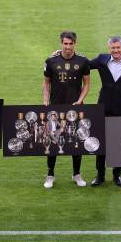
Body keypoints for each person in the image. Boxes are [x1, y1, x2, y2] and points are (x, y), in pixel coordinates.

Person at [42, 31, 90, 188]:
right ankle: (50, 175)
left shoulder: (83, 61)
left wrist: (80, 100)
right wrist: (45, 102)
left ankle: (76, 174)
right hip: (55, 108)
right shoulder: (51, 61)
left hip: (75, 109)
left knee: (76, 140)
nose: (68, 47)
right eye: (65, 43)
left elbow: (86, 84)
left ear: (75, 43)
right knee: (52, 140)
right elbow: (46, 83)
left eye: (70, 44)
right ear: (61, 43)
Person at [87, 36, 121, 187]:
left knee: (120, 142)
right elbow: (84, 65)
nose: (115, 50)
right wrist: (62, 54)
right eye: (113, 48)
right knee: (100, 142)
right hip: (103, 106)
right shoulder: (102, 60)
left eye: (118, 48)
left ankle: (117, 174)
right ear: (109, 49)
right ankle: (100, 175)